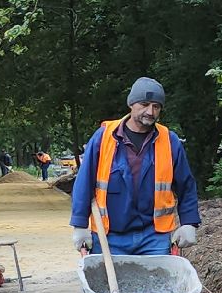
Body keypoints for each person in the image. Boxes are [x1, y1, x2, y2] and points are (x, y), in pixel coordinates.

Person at [70, 77, 202, 257]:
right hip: (109, 236)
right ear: (131, 104)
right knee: (106, 285)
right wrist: (80, 225)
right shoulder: (104, 137)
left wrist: (189, 223)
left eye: (156, 106)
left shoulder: (169, 141)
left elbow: (186, 186)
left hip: (154, 237)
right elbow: (84, 182)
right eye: (145, 104)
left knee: (157, 285)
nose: (150, 111)